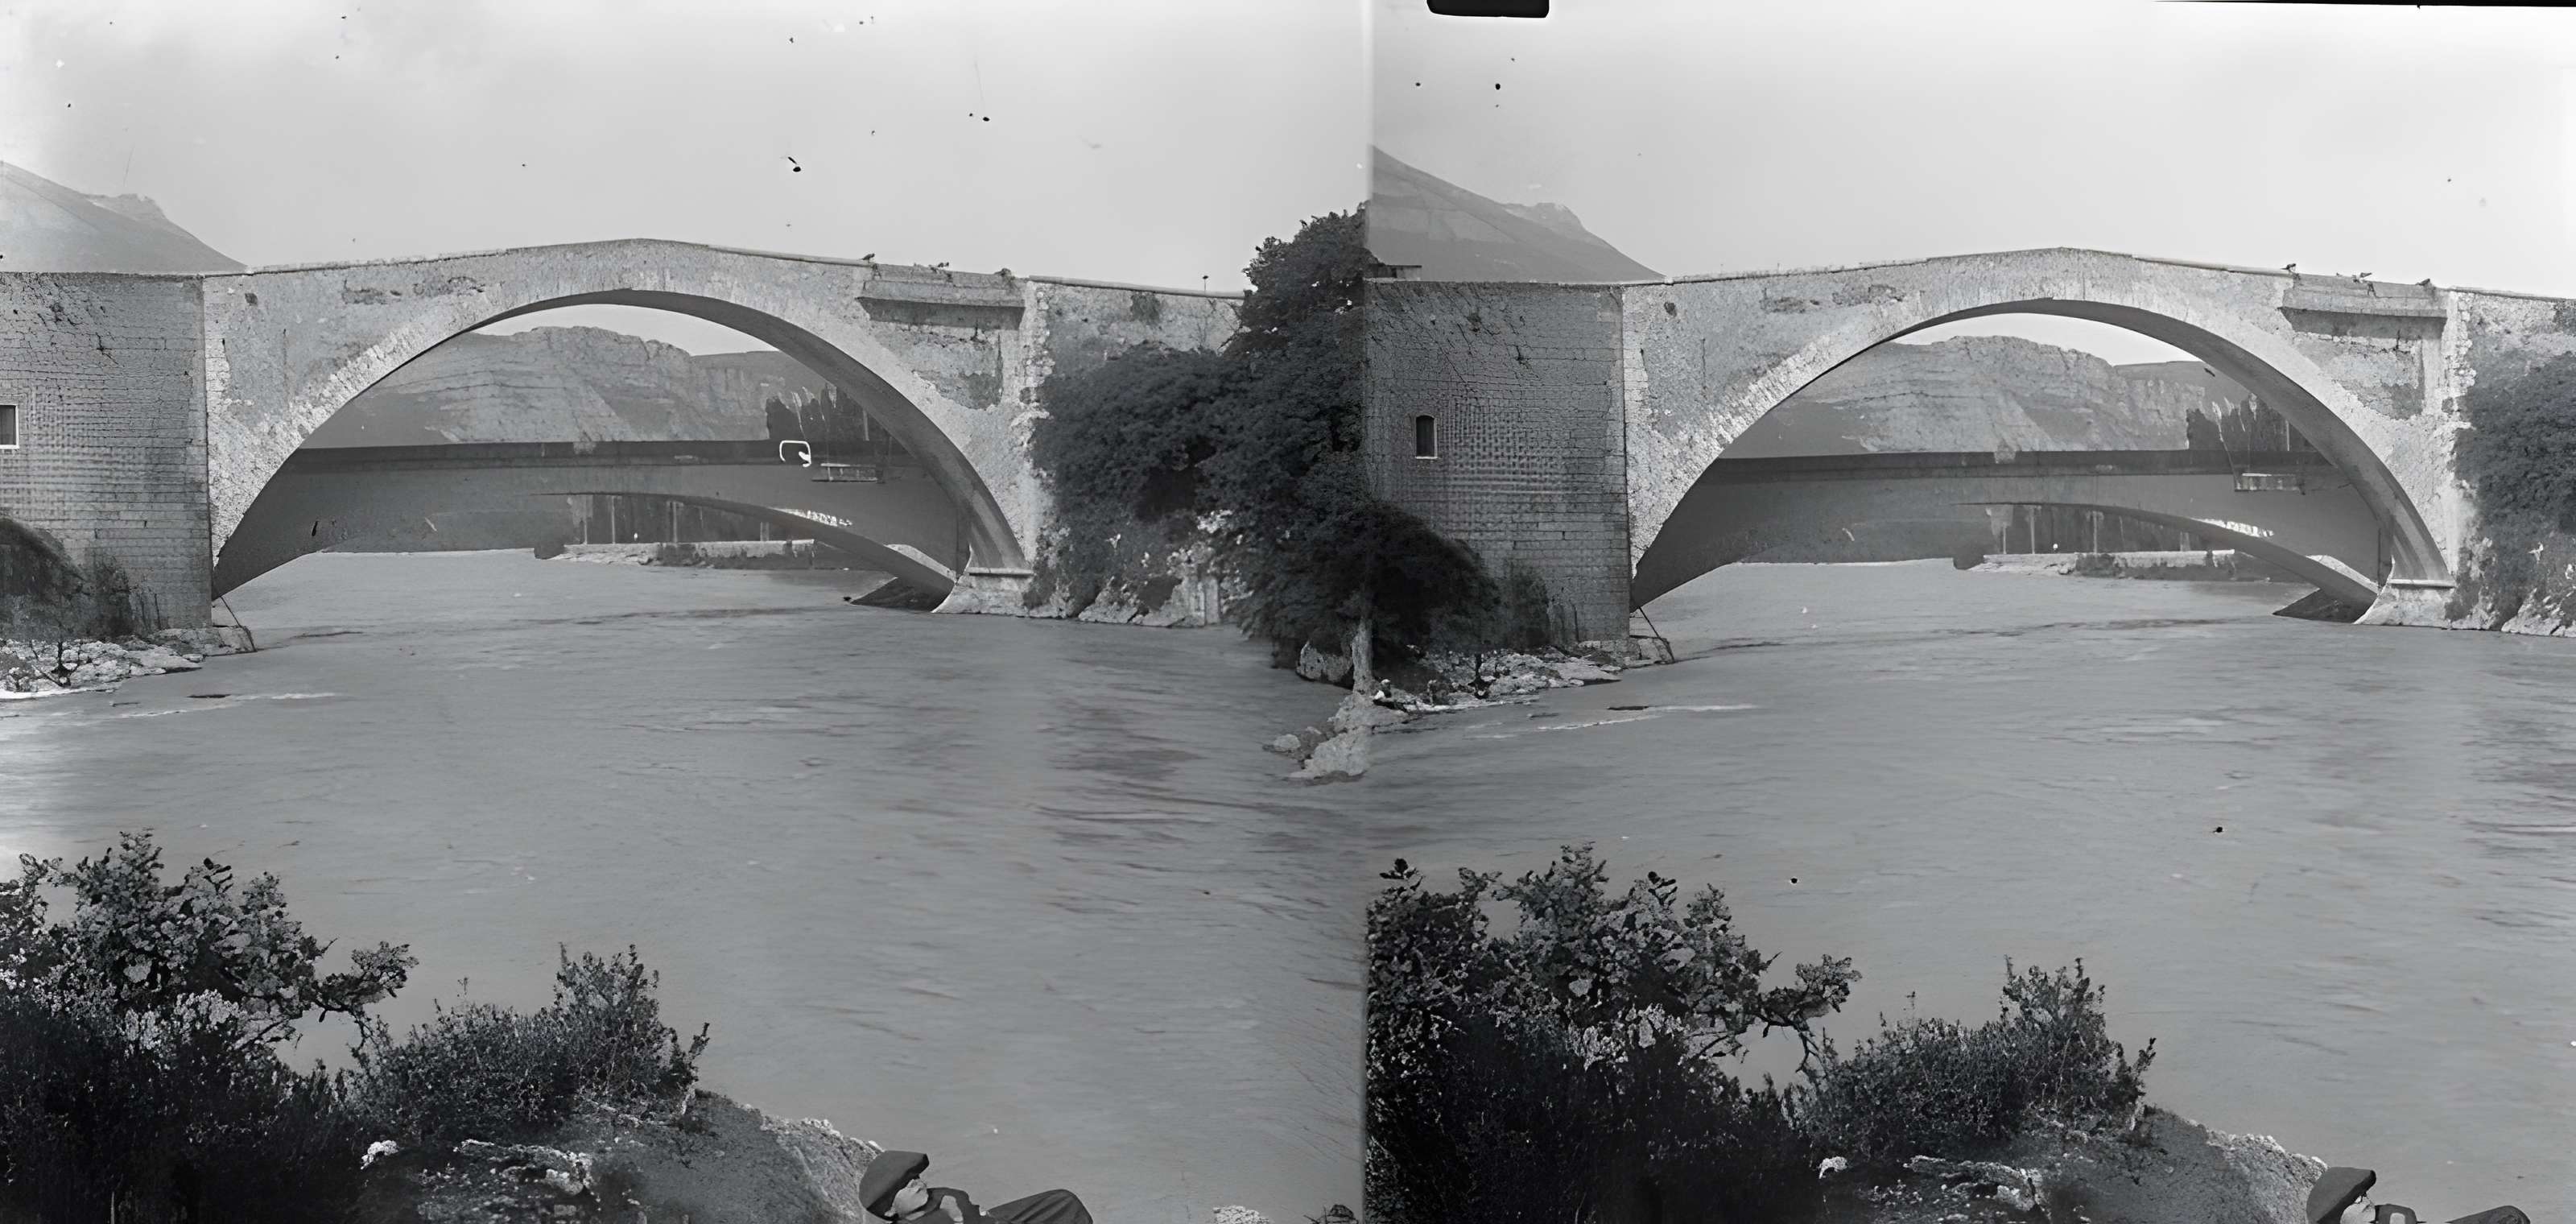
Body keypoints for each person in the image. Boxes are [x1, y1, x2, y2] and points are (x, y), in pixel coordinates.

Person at [858, 1149, 1094, 1224]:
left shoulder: (939, 1196)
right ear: (890, 1211)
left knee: (1063, 1201)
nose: (917, 1183)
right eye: (905, 1186)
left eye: (915, 1177)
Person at [2306, 1166, 2528, 1224]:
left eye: (2363, 1194)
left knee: (2509, 1216)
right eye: (2355, 1200)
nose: (2365, 1199)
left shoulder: (2386, 1215)